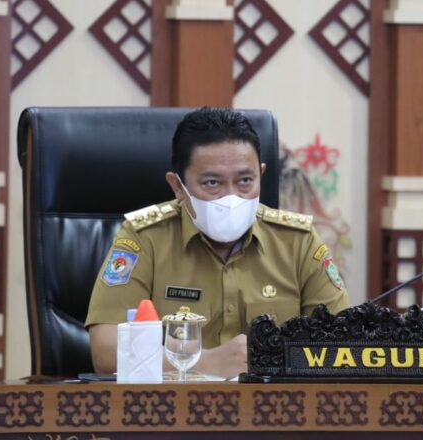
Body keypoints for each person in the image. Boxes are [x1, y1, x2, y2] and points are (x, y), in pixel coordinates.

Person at [86, 107, 350, 377]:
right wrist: (202, 363)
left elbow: (343, 345)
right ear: (178, 186)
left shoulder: (298, 242)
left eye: (245, 181)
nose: (231, 197)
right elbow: (105, 352)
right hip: (174, 412)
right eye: (213, 183)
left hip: (275, 410)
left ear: (261, 174)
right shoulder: (144, 238)